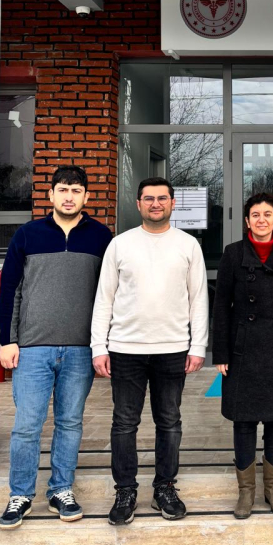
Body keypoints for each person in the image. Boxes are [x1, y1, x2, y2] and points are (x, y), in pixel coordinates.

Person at [0, 166, 113, 530]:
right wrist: (7, 340)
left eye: (76, 191)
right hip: (32, 348)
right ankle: (20, 495)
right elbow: (10, 289)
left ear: (87, 196)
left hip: (80, 349)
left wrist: (104, 344)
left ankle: (61, 489)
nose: (69, 196)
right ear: (50, 194)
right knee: (27, 425)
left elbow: (110, 295)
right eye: (63, 189)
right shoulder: (28, 234)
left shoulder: (101, 237)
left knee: (70, 422)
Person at [91, 177, 208, 526]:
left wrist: (198, 345)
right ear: (139, 204)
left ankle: (164, 488)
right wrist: (99, 346)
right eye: (149, 198)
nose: (156, 204)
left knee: (169, 421)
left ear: (173, 203)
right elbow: (104, 298)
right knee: (124, 423)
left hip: (173, 348)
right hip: (125, 348)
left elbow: (199, 299)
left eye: (162, 198)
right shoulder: (120, 244)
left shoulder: (188, 245)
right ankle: (125, 490)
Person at [213, 192, 273, 519]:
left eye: (268, 214)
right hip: (242, 348)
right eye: (255, 215)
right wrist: (221, 352)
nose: (262, 220)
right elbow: (221, 307)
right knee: (243, 421)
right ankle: (246, 492)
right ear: (247, 221)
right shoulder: (233, 253)